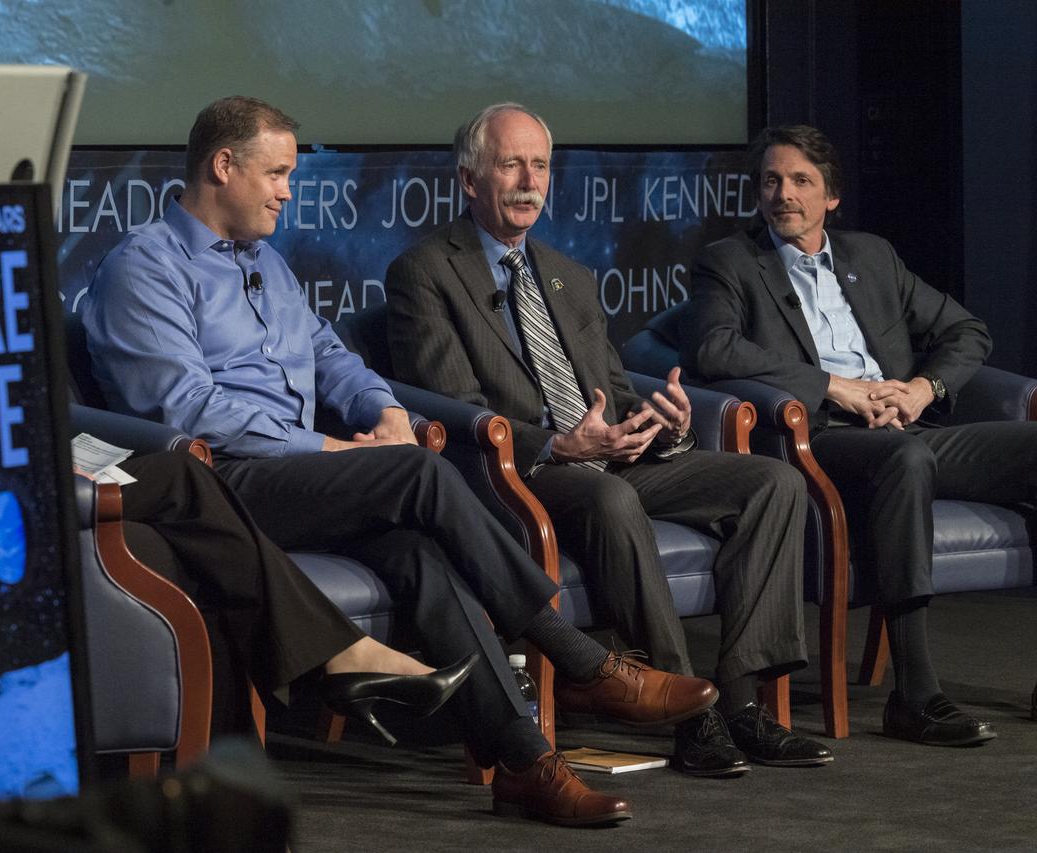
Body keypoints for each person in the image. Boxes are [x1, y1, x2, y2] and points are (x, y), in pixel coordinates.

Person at [83, 95, 716, 827]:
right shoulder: (145, 267)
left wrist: (387, 413)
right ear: (223, 166)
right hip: (220, 482)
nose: (289, 190)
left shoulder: (267, 265)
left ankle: (525, 761)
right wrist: (329, 448)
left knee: (418, 551)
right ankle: (575, 658)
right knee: (413, 471)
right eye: (278, 173)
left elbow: (329, 355)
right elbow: (184, 409)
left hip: (300, 481)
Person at [384, 102, 830, 777]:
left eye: (540, 165)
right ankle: (689, 713)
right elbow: (454, 410)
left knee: (774, 481)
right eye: (511, 165)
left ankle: (740, 705)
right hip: (516, 472)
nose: (529, 180)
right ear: (470, 180)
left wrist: (660, 421)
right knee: (611, 500)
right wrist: (559, 446)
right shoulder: (425, 273)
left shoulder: (569, 274)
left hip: (603, 458)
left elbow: (612, 393)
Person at [682, 123, 1037, 747]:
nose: (783, 194)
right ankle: (916, 694)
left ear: (832, 197)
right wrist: (830, 387)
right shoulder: (730, 262)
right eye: (770, 181)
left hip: (908, 424)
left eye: (800, 181)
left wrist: (924, 389)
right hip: (822, 439)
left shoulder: (871, 256)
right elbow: (715, 348)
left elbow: (967, 331)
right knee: (904, 459)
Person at [107, 449, 476, 742]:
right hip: (58, 510)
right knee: (183, 482)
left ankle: (238, 811)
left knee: (205, 555)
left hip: (82, 485)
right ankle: (343, 657)